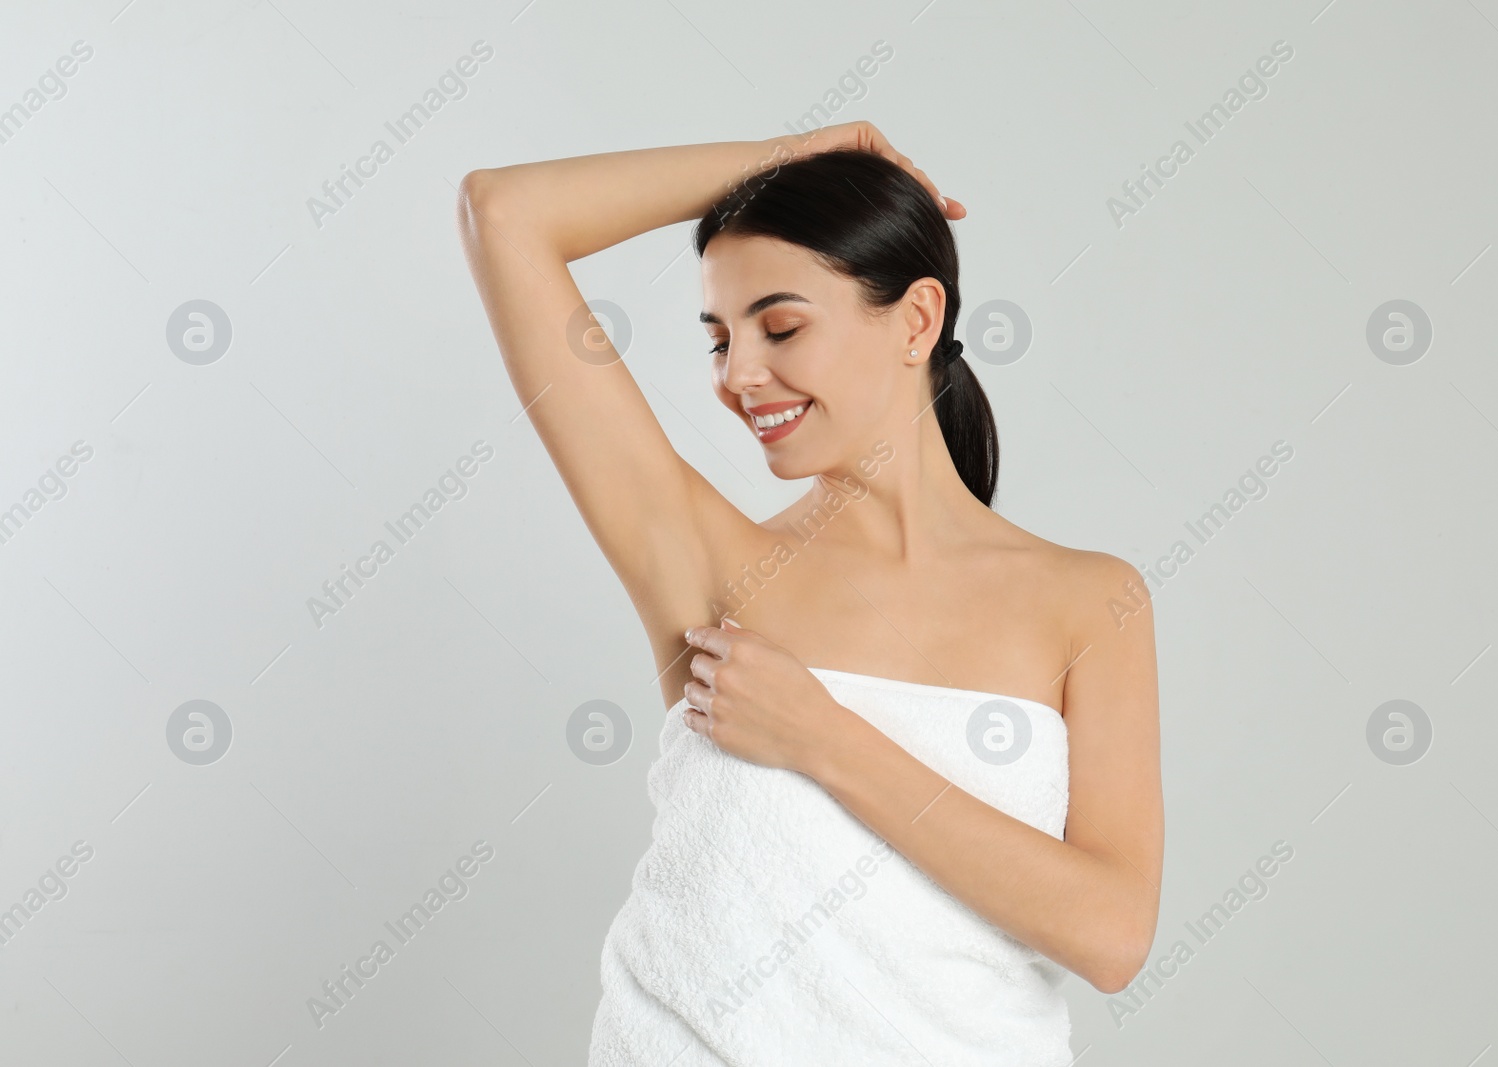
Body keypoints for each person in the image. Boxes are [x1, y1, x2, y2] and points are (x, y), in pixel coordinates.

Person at [456, 121, 1162, 1064]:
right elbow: (502, 212)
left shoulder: (1088, 602)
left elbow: (1112, 935)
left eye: (781, 326)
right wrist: (800, 153)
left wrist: (821, 736)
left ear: (916, 320)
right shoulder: (711, 568)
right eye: (719, 339)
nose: (739, 375)